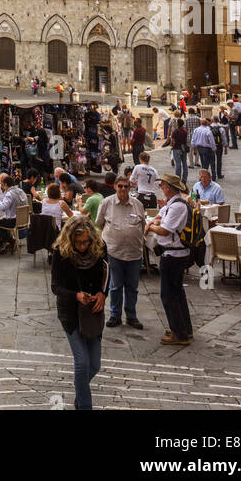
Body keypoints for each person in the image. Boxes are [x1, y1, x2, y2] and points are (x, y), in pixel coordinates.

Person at [51, 218, 109, 410]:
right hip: (70, 311)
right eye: (79, 243)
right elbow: (56, 287)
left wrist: (102, 293)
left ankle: (80, 390)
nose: (83, 246)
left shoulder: (100, 248)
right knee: (82, 362)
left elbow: (107, 275)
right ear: (71, 241)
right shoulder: (61, 252)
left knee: (95, 365)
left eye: (86, 242)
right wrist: (76, 296)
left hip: (92, 312)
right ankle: (84, 406)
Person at [147, 173, 193, 346]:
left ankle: (179, 334)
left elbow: (165, 230)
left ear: (169, 188)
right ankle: (183, 329)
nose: (161, 188)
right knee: (177, 293)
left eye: (163, 185)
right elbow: (160, 217)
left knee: (168, 295)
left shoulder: (176, 207)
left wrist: (151, 226)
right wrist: (154, 221)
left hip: (174, 255)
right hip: (175, 254)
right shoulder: (173, 204)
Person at [96, 174, 145, 329]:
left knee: (133, 287)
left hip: (134, 253)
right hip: (114, 252)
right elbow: (100, 223)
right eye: (120, 186)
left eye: (126, 186)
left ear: (130, 187)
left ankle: (131, 316)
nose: (123, 189)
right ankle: (115, 315)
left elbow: (142, 226)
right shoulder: (106, 203)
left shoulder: (137, 204)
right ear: (115, 186)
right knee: (115, 286)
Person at [0, 174, 28, 254]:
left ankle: (10, 241)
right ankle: (7, 243)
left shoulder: (9, 194)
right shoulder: (20, 191)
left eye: (3, 185)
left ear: (5, 184)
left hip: (13, 221)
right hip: (23, 220)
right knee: (3, 221)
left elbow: (3, 208)